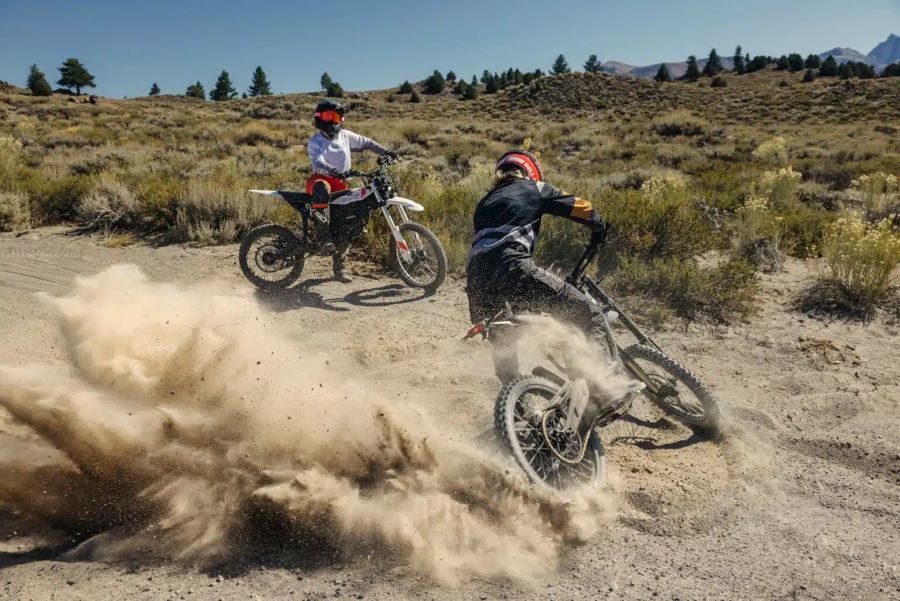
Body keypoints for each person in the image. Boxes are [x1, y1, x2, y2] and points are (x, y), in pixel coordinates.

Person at [466, 150, 627, 436]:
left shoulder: (484, 202)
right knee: (587, 314)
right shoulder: (534, 188)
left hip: (477, 284)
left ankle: (520, 415)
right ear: (531, 172)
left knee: (505, 353)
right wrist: (599, 225)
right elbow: (581, 208)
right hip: (513, 268)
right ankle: (602, 390)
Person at [307, 99, 395, 282]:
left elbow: (367, 143)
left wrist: (385, 152)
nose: (332, 120)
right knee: (322, 188)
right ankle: (323, 237)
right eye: (328, 116)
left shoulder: (345, 136)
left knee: (347, 225)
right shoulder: (315, 141)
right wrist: (334, 171)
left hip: (342, 185)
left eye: (336, 116)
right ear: (319, 118)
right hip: (321, 180)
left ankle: (340, 268)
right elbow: (318, 161)